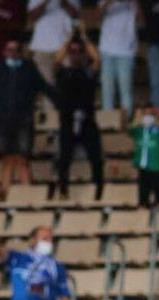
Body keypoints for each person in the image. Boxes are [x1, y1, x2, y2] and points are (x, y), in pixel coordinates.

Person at [0, 39, 58, 199]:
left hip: (24, 120)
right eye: (9, 49)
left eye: (15, 49)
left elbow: (45, 88)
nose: (12, 52)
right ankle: (3, 196)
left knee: (22, 159)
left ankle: (28, 197)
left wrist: (61, 105)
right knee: (6, 159)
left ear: (20, 51)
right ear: (5, 51)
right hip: (3, 120)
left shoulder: (29, 69)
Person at [51, 33, 104, 200]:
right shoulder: (64, 73)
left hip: (87, 120)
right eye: (72, 52)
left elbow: (97, 61)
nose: (75, 55)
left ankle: (99, 189)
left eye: (78, 52)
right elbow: (57, 62)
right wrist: (68, 43)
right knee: (64, 157)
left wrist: (84, 38)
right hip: (67, 119)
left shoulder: (87, 73)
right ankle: (64, 190)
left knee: (96, 156)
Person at [95, 0, 137, 112]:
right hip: (107, 49)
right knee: (107, 90)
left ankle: (126, 123)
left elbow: (142, 20)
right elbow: (97, 16)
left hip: (126, 50)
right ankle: (108, 123)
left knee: (126, 90)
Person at [28, 0, 78, 82]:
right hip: (42, 48)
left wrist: (64, 2)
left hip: (65, 48)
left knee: (68, 84)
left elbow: (76, 15)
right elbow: (32, 17)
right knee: (46, 86)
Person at [131, 105, 159, 207]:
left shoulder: (158, 130)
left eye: (150, 114)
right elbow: (126, 128)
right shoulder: (138, 130)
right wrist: (137, 117)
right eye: (145, 114)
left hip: (157, 166)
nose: (148, 117)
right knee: (143, 196)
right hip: (143, 166)